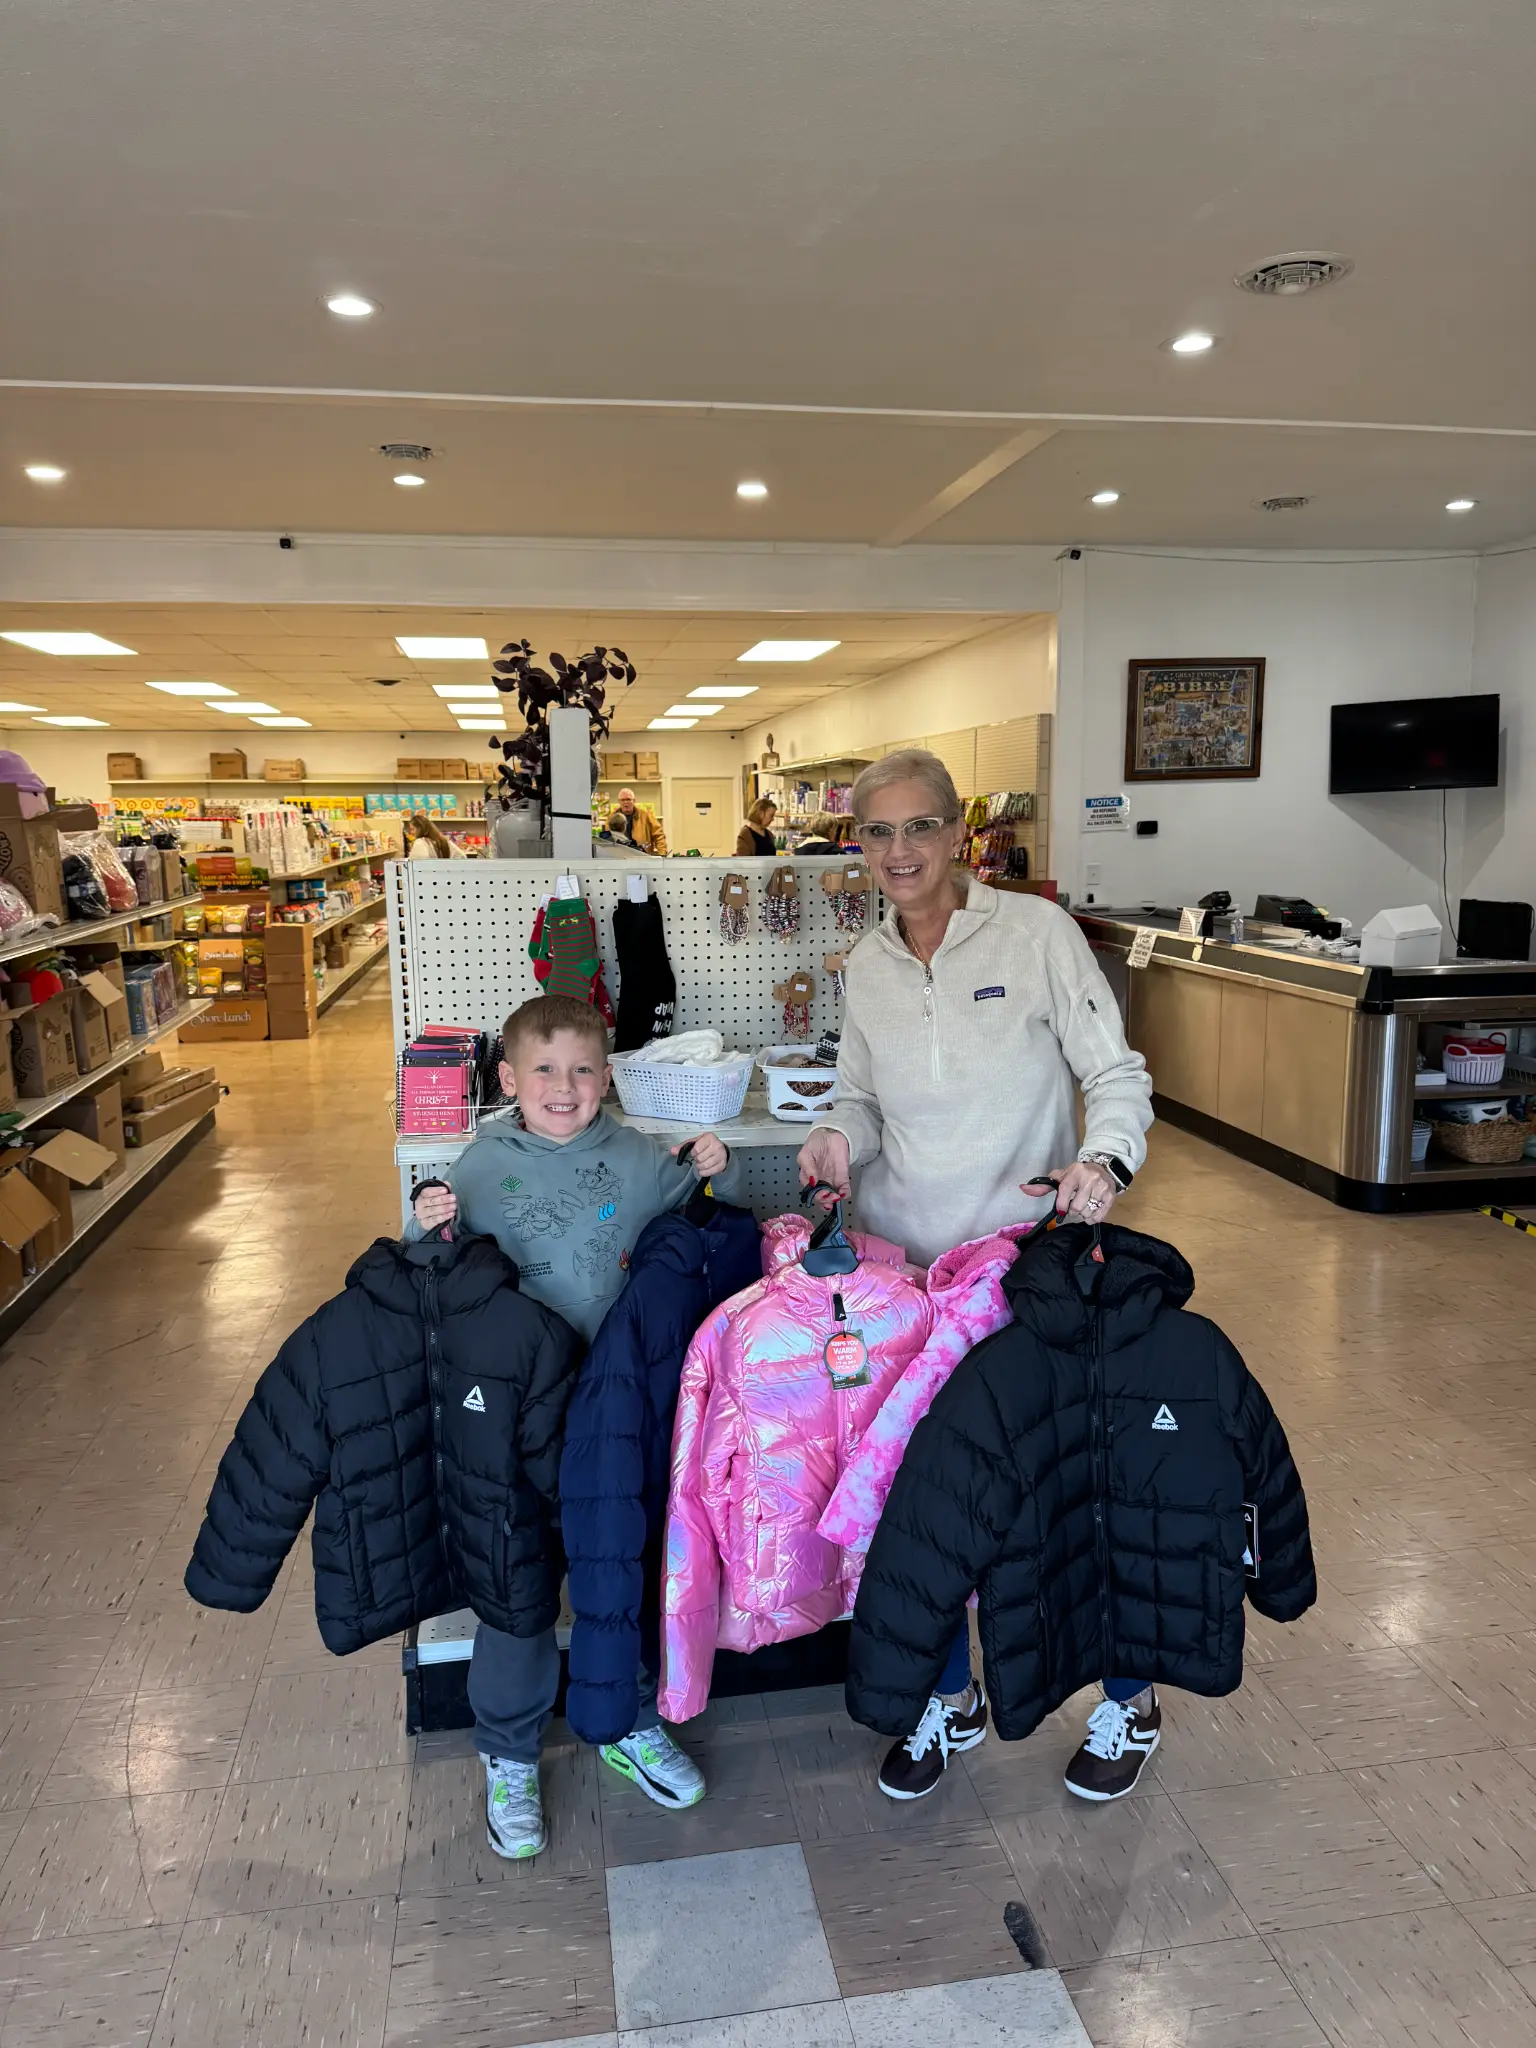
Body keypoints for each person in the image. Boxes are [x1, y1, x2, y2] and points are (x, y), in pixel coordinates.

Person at [796, 748, 1159, 1806]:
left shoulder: (1037, 934)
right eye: (878, 832)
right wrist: (833, 1138)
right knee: (923, 1502)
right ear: (856, 845)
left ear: (959, 835)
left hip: (1029, 1266)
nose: (900, 852)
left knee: (1069, 1494)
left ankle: (1127, 1700)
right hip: (908, 1272)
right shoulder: (863, 962)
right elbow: (860, 1099)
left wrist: (1106, 1160)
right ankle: (950, 1694)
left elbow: (1116, 1071)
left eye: (920, 828)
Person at [408, 993, 746, 1857]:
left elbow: (707, 1210)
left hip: (617, 1419)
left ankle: (627, 1720)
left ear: (609, 1077)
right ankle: (509, 1753)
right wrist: (426, 1228)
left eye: (584, 1069)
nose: (565, 1087)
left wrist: (719, 1162)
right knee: (516, 1591)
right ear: (507, 1078)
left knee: (618, 1574)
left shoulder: (638, 1159)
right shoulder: (477, 1169)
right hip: (516, 1424)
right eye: (545, 1070)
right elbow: (429, 1278)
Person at [608, 787, 668, 855]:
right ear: (619, 802)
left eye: (628, 799)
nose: (625, 802)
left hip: (643, 856)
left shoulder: (646, 816)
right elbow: (606, 838)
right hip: (619, 856)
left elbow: (659, 835)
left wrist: (662, 853)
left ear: (634, 801)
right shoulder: (612, 818)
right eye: (622, 800)